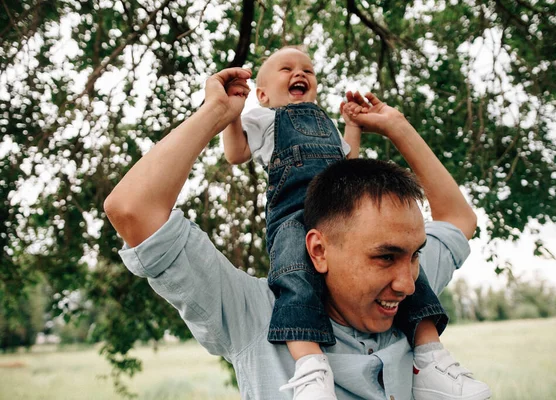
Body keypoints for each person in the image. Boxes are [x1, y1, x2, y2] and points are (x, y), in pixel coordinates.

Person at [104, 64, 491, 399]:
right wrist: (216, 112)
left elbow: (459, 220)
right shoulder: (254, 316)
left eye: (416, 254)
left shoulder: (405, 292)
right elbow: (133, 210)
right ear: (319, 250)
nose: (407, 283)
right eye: (385, 257)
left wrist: (397, 126)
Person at [218, 46, 490, 400]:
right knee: (294, 280)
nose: (300, 73)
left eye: (308, 70)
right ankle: (311, 367)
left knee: (414, 276)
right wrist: (229, 113)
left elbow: (350, 167)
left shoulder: (326, 123)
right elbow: (235, 153)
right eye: (287, 69)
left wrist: (354, 125)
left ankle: (430, 357)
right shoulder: (266, 120)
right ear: (263, 94)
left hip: (339, 207)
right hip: (294, 216)